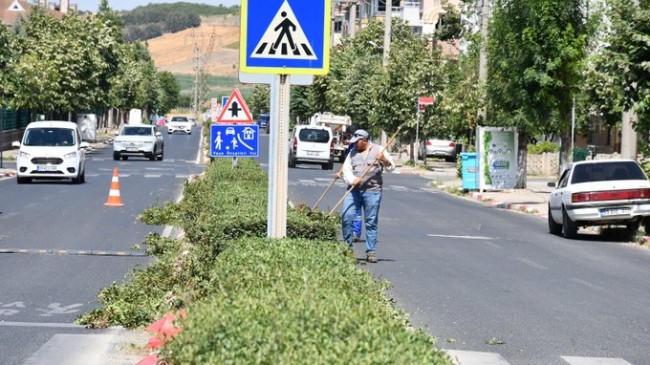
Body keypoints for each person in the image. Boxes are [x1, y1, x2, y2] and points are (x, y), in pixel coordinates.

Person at [340, 129, 395, 263]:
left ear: (364, 140)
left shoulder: (379, 149)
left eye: (357, 142)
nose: (355, 145)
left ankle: (371, 251)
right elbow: (346, 170)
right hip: (354, 190)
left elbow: (391, 167)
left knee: (371, 221)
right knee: (346, 216)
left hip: (373, 191)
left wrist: (384, 160)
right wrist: (353, 179)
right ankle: (347, 249)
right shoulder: (352, 153)